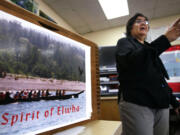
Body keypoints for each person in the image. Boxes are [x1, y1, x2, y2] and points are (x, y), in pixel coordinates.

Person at [115, 13, 180, 135]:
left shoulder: (150, 48)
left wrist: (175, 103)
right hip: (137, 102)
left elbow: (160, 79)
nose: (144, 23)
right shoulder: (124, 43)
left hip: (161, 105)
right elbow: (134, 62)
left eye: (146, 22)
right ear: (130, 28)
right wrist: (165, 39)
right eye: (138, 21)